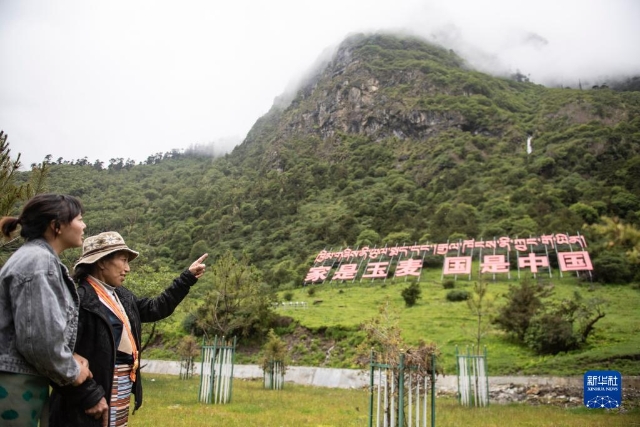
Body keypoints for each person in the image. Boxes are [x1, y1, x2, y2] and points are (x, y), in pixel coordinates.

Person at [48, 231, 207, 427]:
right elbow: (57, 357)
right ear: (101, 262)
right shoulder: (78, 301)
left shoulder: (122, 296)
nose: (127, 268)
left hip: (118, 395)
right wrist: (89, 395)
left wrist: (186, 279)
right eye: (123, 260)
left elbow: (155, 308)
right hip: (88, 403)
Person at [0, 193, 93, 427]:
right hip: (14, 384)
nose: (84, 225)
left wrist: (67, 355)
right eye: (79, 219)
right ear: (57, 226)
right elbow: (38, 340)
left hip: (22, 379)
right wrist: (72, 370)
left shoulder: (38, 259)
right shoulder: (39, 263)